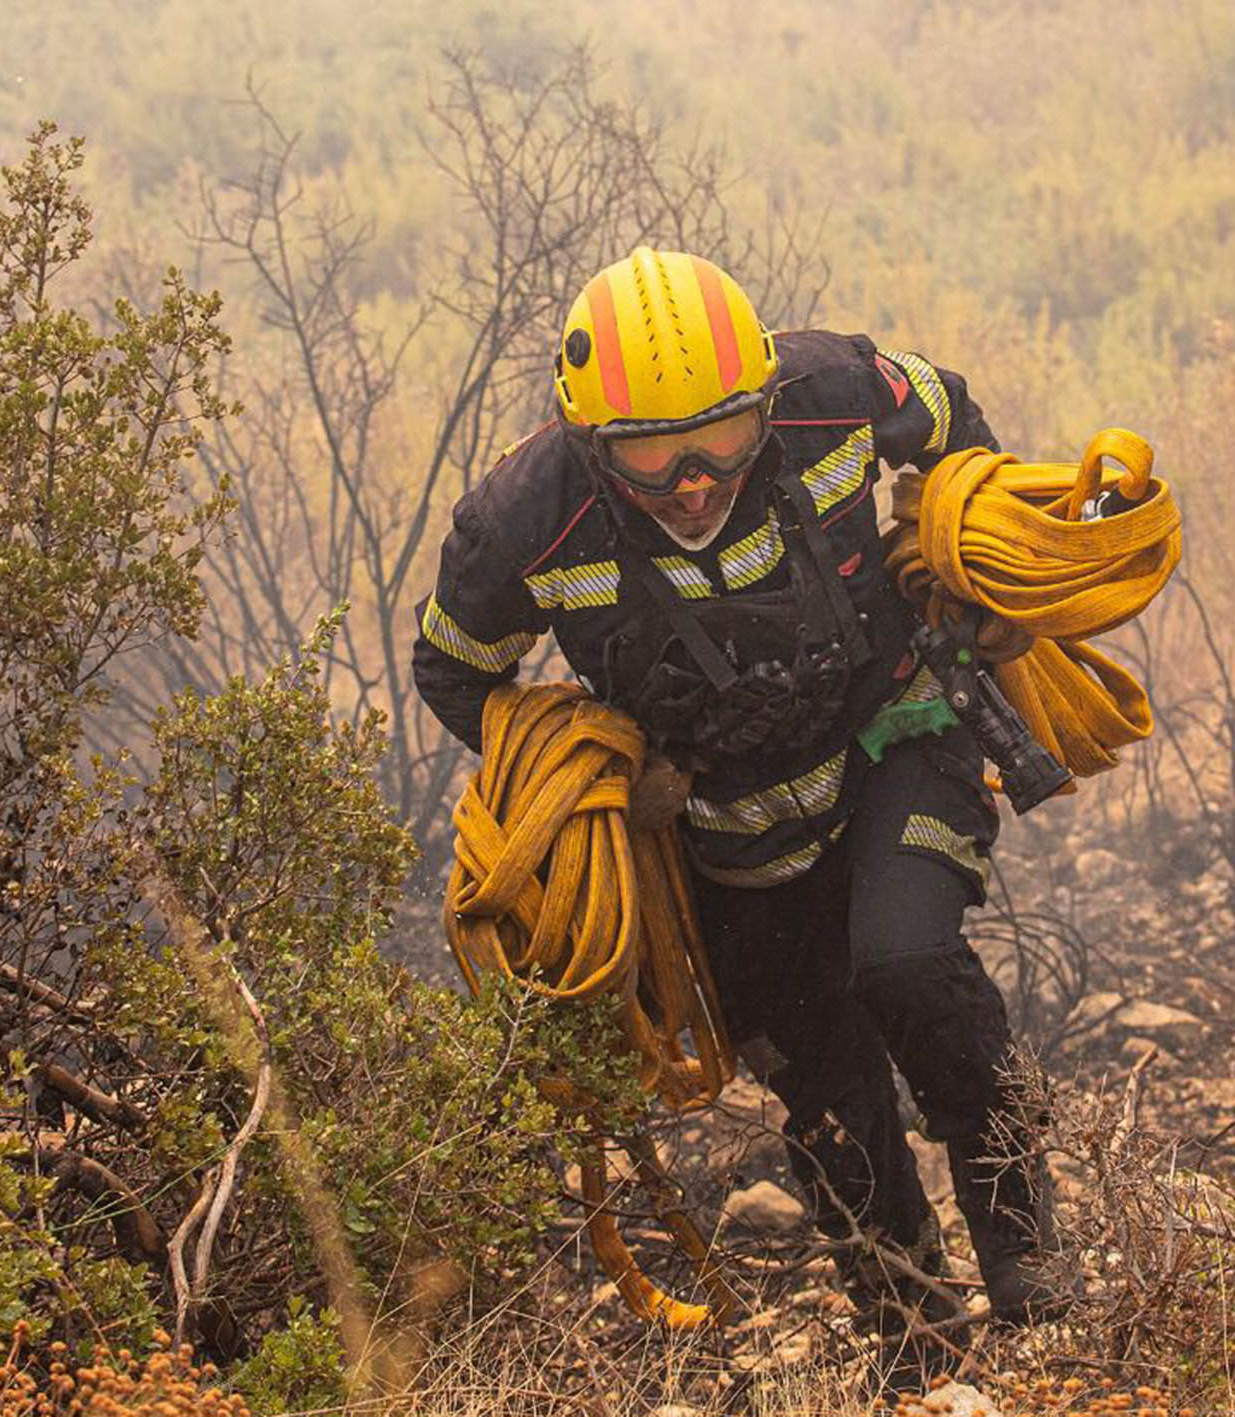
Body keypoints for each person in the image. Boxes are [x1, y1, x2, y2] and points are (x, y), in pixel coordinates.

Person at [413, 247, 1068, 1379]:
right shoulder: (519, 524)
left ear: (766, 398)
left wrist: (963, 554)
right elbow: (453, 671)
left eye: (721, 437)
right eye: (651, 454)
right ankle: (917, 1343)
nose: (693, 480)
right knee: (824, 1086)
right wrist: (579, 766)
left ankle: (1025, 1257)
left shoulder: (838, 393)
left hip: (893, 748)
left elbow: (956, 415)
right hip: (716, 844)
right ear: (587, 438)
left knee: (905, 964)